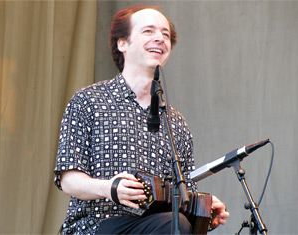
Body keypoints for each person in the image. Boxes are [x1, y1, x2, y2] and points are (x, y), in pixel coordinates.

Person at [54, 5, 230, 234]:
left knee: (179, 224)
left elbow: (183, 196)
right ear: (122, 43)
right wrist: (109, 188)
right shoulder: (88, 101)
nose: (159, 38)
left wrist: (203, 210)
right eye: (148, 31)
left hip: (158, 226)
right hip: (94, 226)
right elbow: (68, 179)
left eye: (165, 34)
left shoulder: (176, 122)